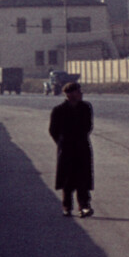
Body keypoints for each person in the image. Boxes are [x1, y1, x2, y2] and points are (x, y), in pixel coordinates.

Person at [49, 80, 94, 217]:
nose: (81, 94)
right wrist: (62, 142)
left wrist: (78, 137)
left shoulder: (86, 107)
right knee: (67, 179)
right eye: (78, 92)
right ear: (69, 94)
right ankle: (67, 206)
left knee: (83, 178)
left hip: (82, 146)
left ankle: (84, 206)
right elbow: (53, 130)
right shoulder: (59, 110)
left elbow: (88, 126)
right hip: (66, 148)